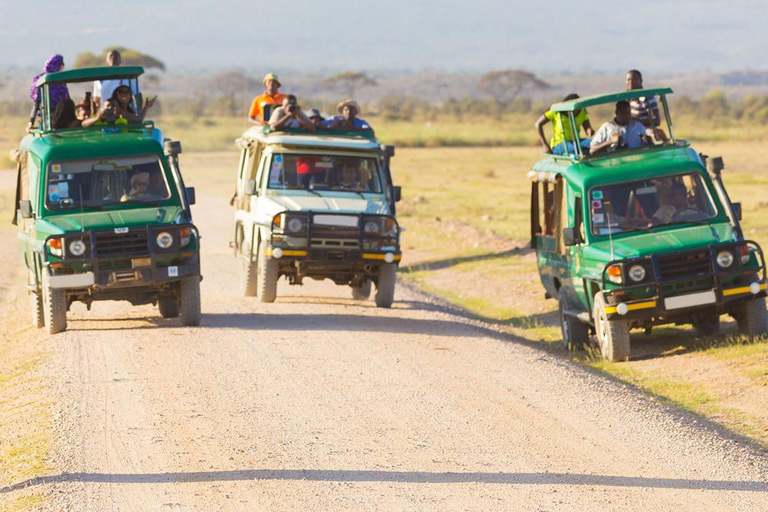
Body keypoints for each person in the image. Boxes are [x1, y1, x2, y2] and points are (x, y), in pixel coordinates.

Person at [27, 54, 69, 133]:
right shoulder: (42, 81)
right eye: (62, 65)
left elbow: (67, 102)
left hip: (63, 118)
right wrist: (31, 122)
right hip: (48, 120)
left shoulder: (61, 82)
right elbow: (36, 104)